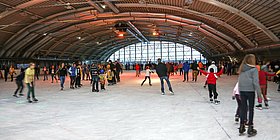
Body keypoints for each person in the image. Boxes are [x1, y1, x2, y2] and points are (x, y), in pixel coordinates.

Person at [238, 54, 262, 137]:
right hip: (250, 91)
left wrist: (240, 90)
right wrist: (259, 94)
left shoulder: (241, 68)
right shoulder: (254, 69)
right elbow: (256, 82)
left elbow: (240, 80)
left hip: (242, 90)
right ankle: (250, 127)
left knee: (243, 108)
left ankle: (241, 126)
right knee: (251, 109)